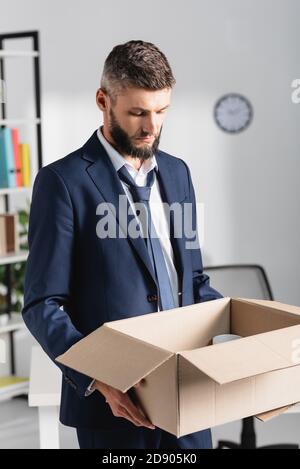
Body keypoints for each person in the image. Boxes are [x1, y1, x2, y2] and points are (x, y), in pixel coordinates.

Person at [22, 40, 222, 449]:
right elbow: (42, 304)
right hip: (115, 409)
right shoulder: (62, 183)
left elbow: (193, 279)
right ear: (103, 100)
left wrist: (237, 329)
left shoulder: (177, 173)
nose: (152, 128)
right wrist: (99, 376)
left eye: (161, 112)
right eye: (137, 113)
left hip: (189, 396)